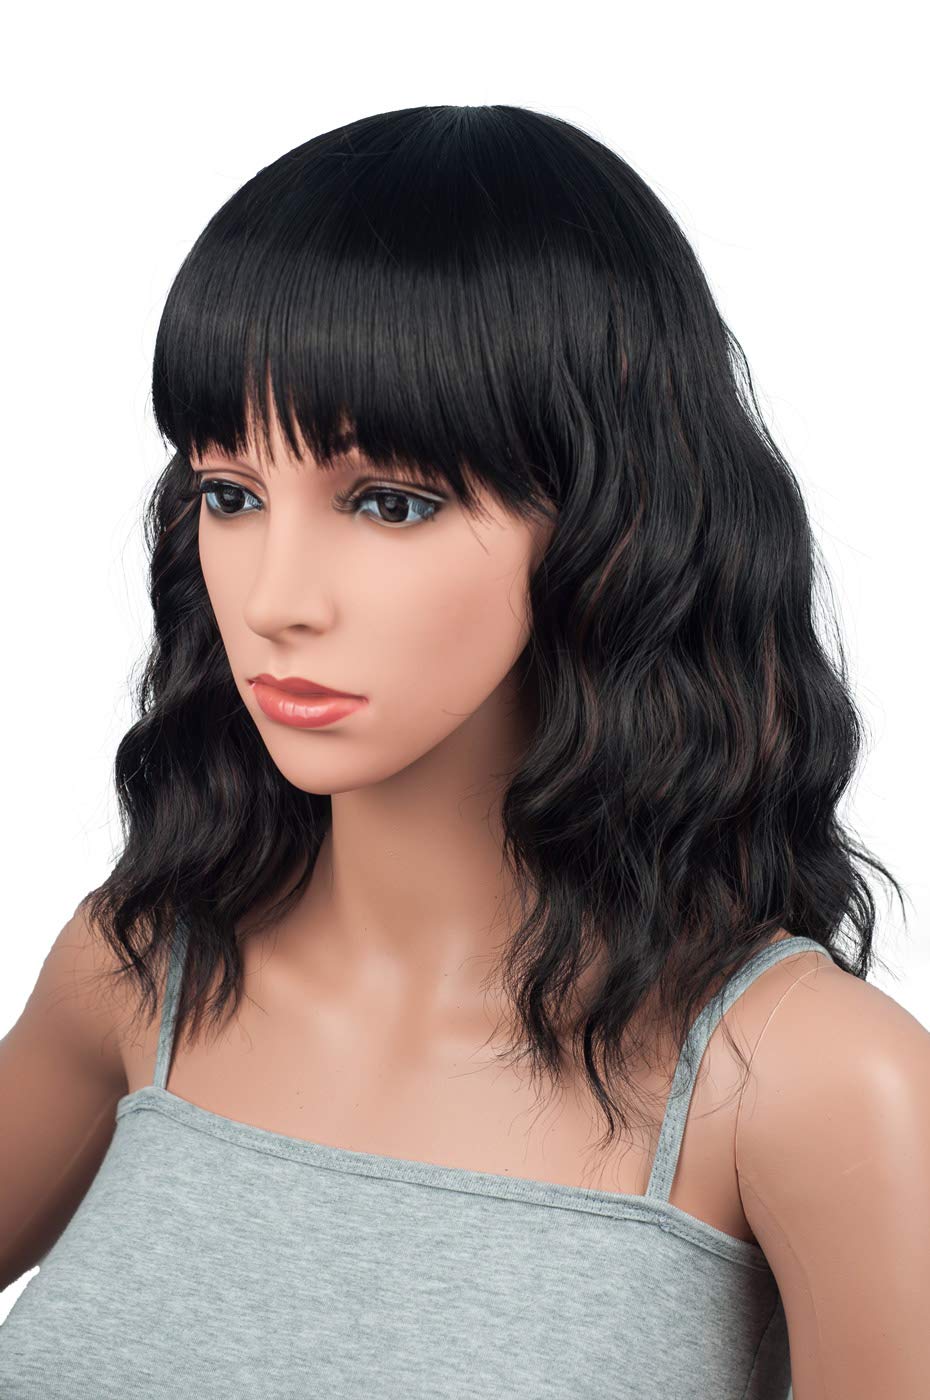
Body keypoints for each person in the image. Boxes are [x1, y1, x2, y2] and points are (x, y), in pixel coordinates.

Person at [1, 103, 927, 1399]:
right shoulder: (136, 969)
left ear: (610, 523)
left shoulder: (810, 1084)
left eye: (389, 503)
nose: (275, 597)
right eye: (230, 493)